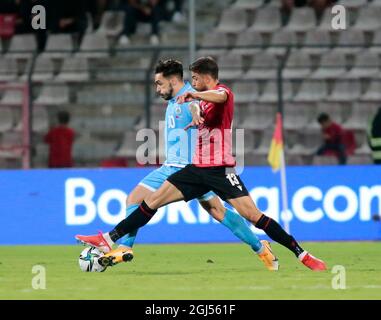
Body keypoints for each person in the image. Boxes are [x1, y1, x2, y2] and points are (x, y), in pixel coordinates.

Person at [77, 57, 327, 271]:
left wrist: (195, 102)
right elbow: (201, 108)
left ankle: (278, 250)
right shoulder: (180, 100)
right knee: (143, 201)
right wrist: (197, 110)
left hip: (207, 168)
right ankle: (113, 243)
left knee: (234, 213)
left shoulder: (200, 95)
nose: (157, 88)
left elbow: (209, 99)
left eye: (159, 83)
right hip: (187, 169)